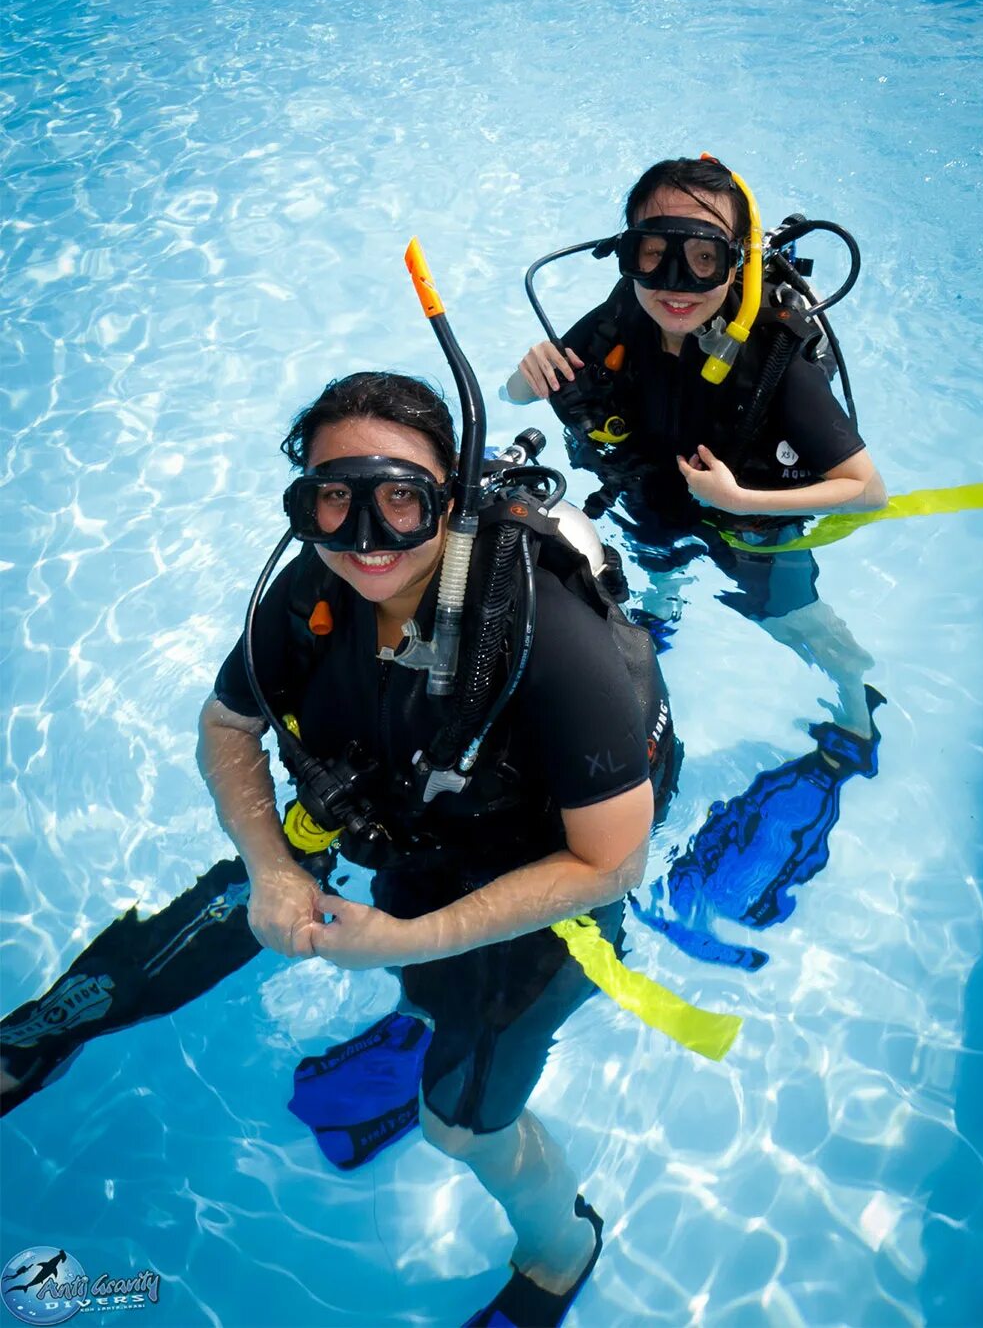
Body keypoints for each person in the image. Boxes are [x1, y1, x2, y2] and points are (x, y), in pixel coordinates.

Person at [2, 365, 677, 1328]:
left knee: (460, 1125)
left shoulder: (545, 637)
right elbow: (227, 725)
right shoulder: (309, 595)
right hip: (407, 816)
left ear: (454, 497)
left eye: (402, 499)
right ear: (305, 501)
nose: (366, 537)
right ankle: (53, 1032)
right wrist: (275, 867)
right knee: (293, 907)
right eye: (336, 497)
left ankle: (563, 1246)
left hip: (546, 866)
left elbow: (613, 861)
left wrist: (411, 938)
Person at [505, 153, 886, 740]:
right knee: (657, 555)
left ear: (738, 263)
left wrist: (741, 502)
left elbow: (867, 491)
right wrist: (525, 375)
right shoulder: (626, 309)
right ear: (628, 251)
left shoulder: (774, 354)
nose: (675, 285)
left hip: (751, 523)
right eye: (654, 254)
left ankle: (858, 710)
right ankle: (664, 605)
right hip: (653, 492)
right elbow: (517, 396)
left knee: (793, 619)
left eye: (703, 257)